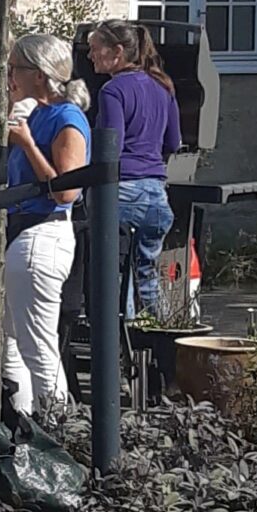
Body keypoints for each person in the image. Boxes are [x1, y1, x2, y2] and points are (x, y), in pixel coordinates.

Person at [1, 30, 92, 419]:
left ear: (39, 75)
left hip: (44, 232)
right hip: (23, 231)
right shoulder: (35, 113)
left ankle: (57, 430)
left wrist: (27, 145)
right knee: (15, 344)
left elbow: (66, 191)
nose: (10, 77)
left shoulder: (66, 118)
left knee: (38, 346)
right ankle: (24, 430)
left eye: (15, 69)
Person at [88, 18, 183, 317]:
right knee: (147, 275)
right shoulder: (163, 87)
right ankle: (163, 341)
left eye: (94, 49)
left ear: (116, 52)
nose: (90, 55)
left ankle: (118, 351)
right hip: (156, 194)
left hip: (121, 192)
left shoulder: (112, 90)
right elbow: (174, 142)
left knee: (116, 277)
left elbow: (109, 148)